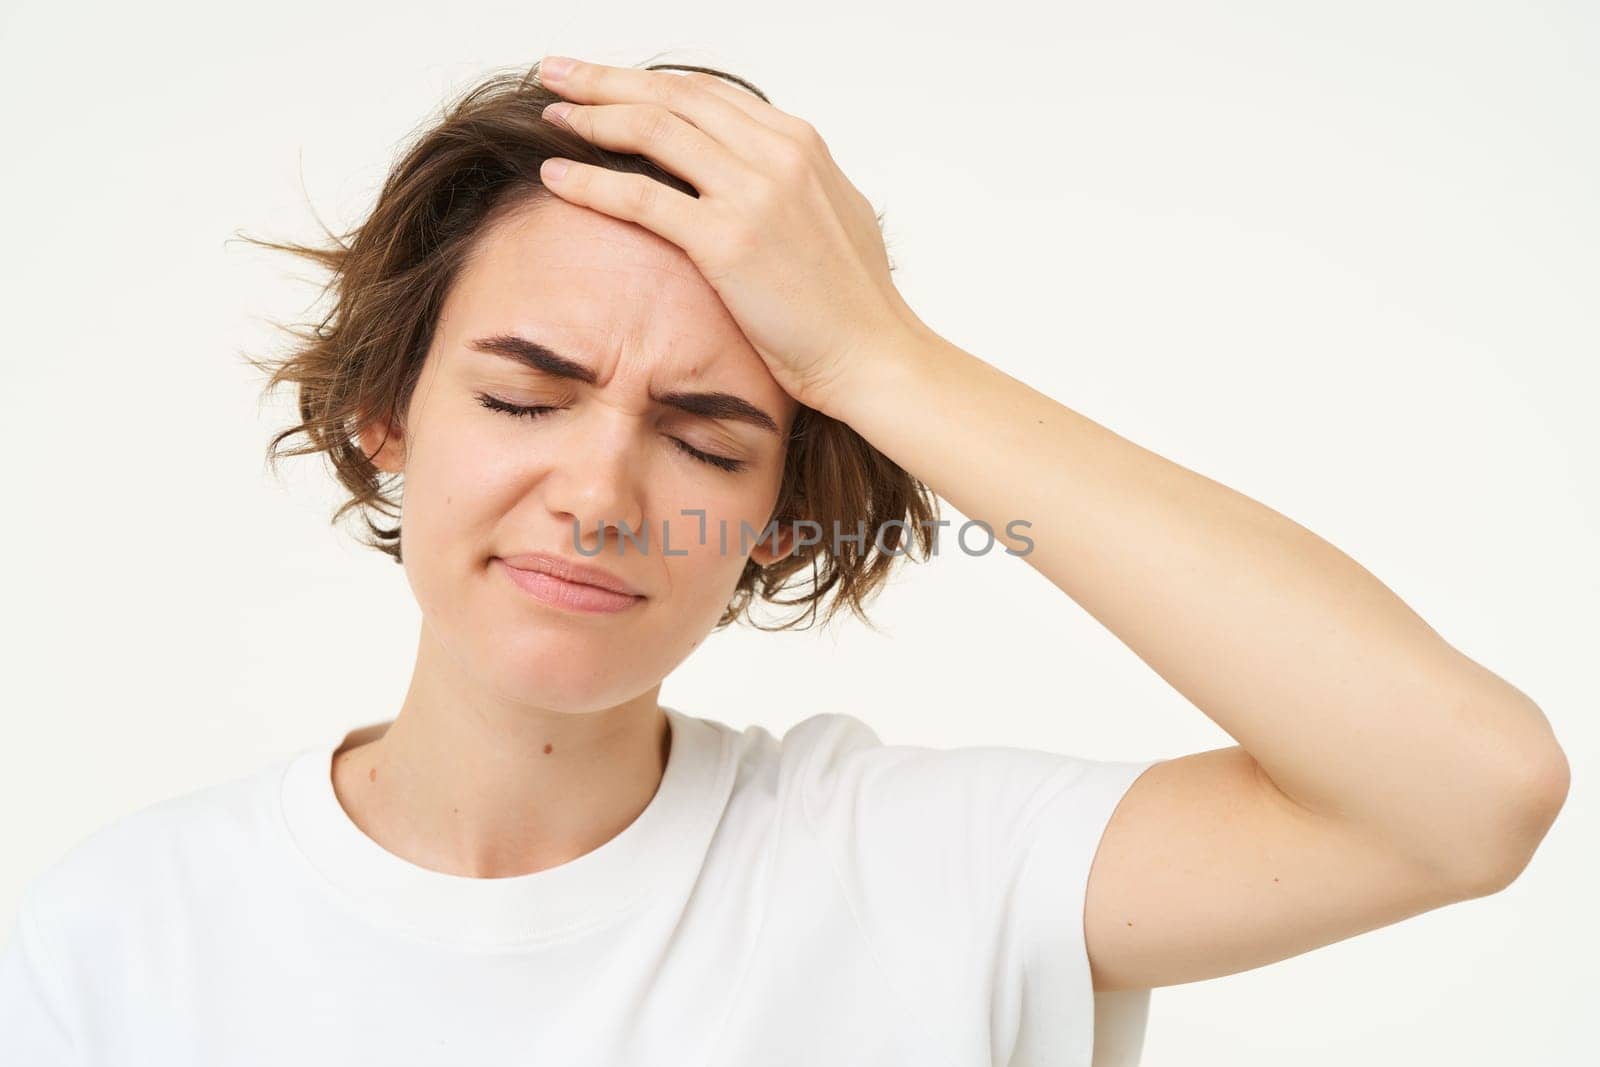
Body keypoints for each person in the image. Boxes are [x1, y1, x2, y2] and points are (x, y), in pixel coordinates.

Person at [0, 55, 1570, 1066]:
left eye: (706, 437)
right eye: (524, 394)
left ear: (781, 519)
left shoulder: (933, 875)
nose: (603, 492)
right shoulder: (120, 937)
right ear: (382, 416)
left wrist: (883, 358)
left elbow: (1468, 791)